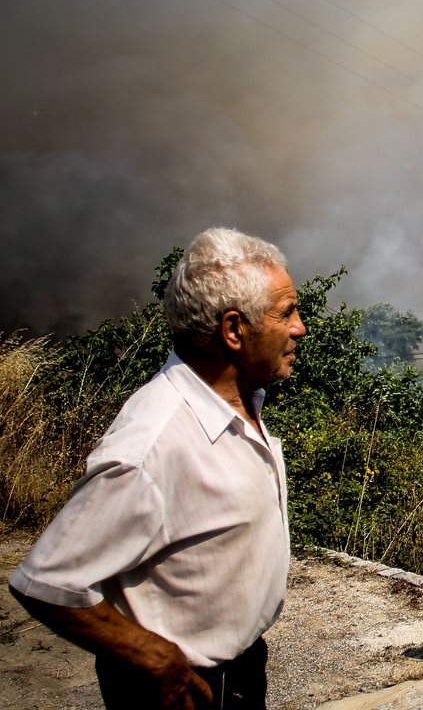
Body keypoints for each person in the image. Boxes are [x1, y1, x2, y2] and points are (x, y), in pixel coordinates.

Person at [8, 227, 306, 710]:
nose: (299, 328)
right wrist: (154, 657)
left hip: (241, 669)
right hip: (181, 686)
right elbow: (45, 581)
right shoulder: (151, 446)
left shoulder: (239, 403)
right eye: (286, 312)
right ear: (233, 331)